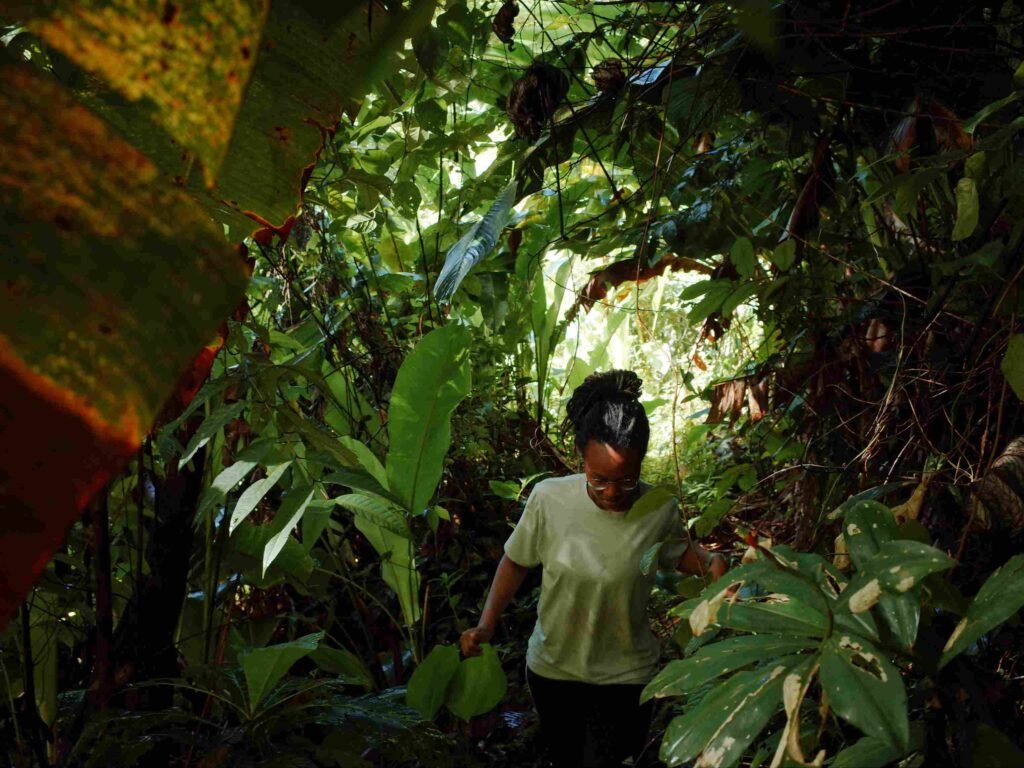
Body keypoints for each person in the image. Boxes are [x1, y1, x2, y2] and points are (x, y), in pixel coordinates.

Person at [459, 370, 729, 768]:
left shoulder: (658, 508)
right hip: (553, 671)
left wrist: (713, 565)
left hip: (626, 676)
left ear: (641, 463)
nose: (612, 493)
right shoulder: (550, 500)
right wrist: (486, 623)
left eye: (626, 479)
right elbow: (515, 561)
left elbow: (682, 555)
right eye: (598, 479)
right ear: (580, 458)